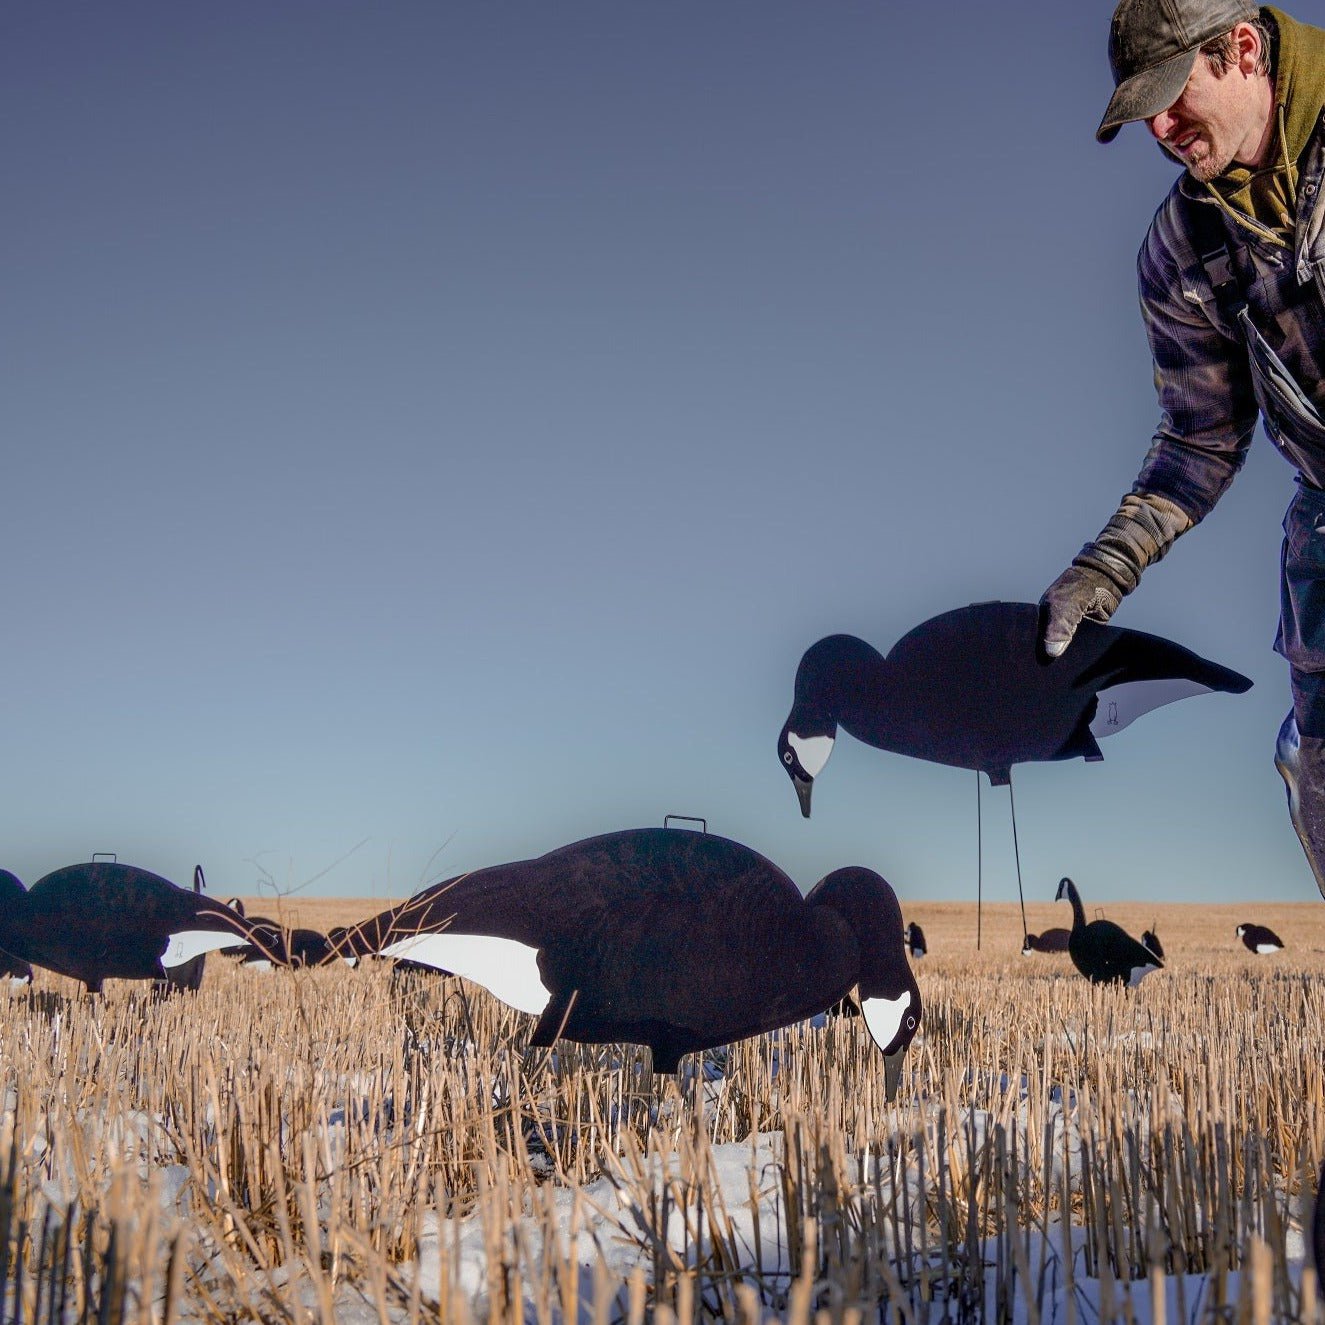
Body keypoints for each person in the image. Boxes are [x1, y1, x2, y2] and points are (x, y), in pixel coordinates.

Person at [1039, 0, 1325, 899]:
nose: (1160, 131)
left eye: (1171, 98)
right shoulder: (1181, 254)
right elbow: (1198, 437)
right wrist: (1101, 571)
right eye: (1143, 114)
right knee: (1317, 770)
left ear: (1241, 49)